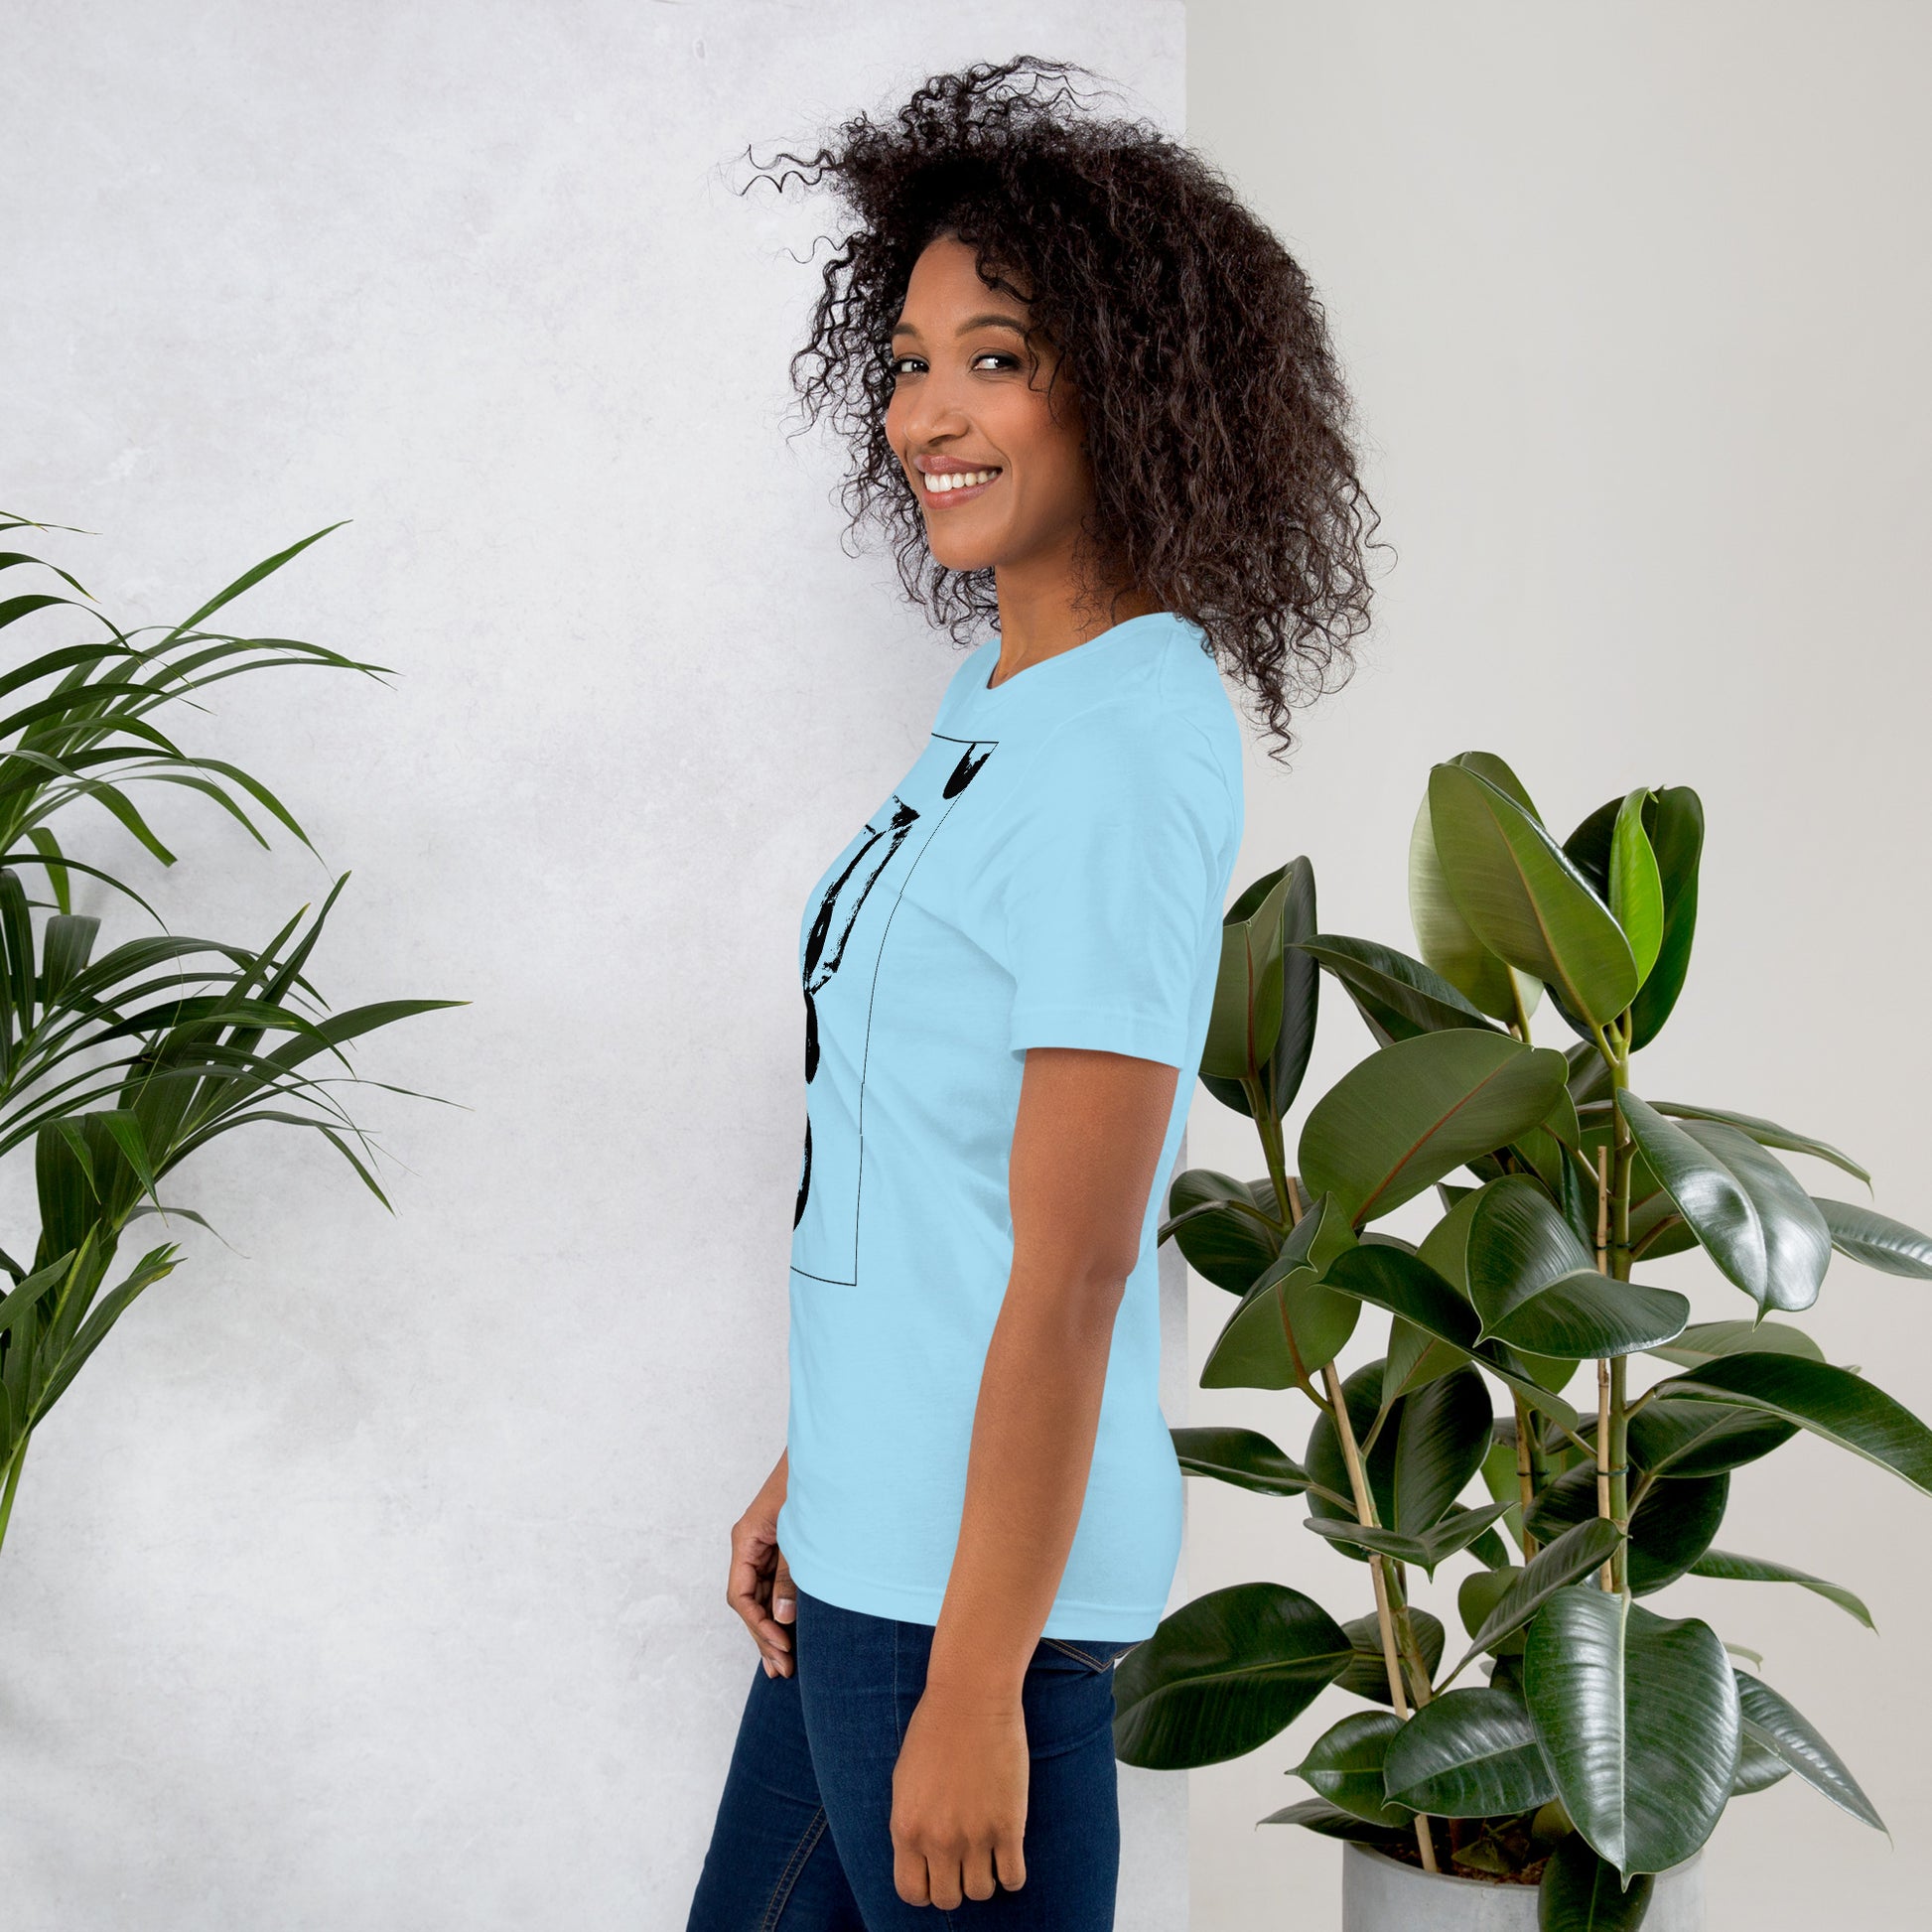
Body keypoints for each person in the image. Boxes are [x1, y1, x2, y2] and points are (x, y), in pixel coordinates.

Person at [687, 56, 1378, 1931]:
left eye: (995, 356)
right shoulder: (1004, 700)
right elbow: (923, 1167)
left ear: (1135, 386)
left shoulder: (1126, 747)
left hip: (967, 1613)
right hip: (870, 1554)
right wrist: (816, 1465)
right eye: (908, 362)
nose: (929, 412)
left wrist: (978, 1683)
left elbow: (1076, 1261)